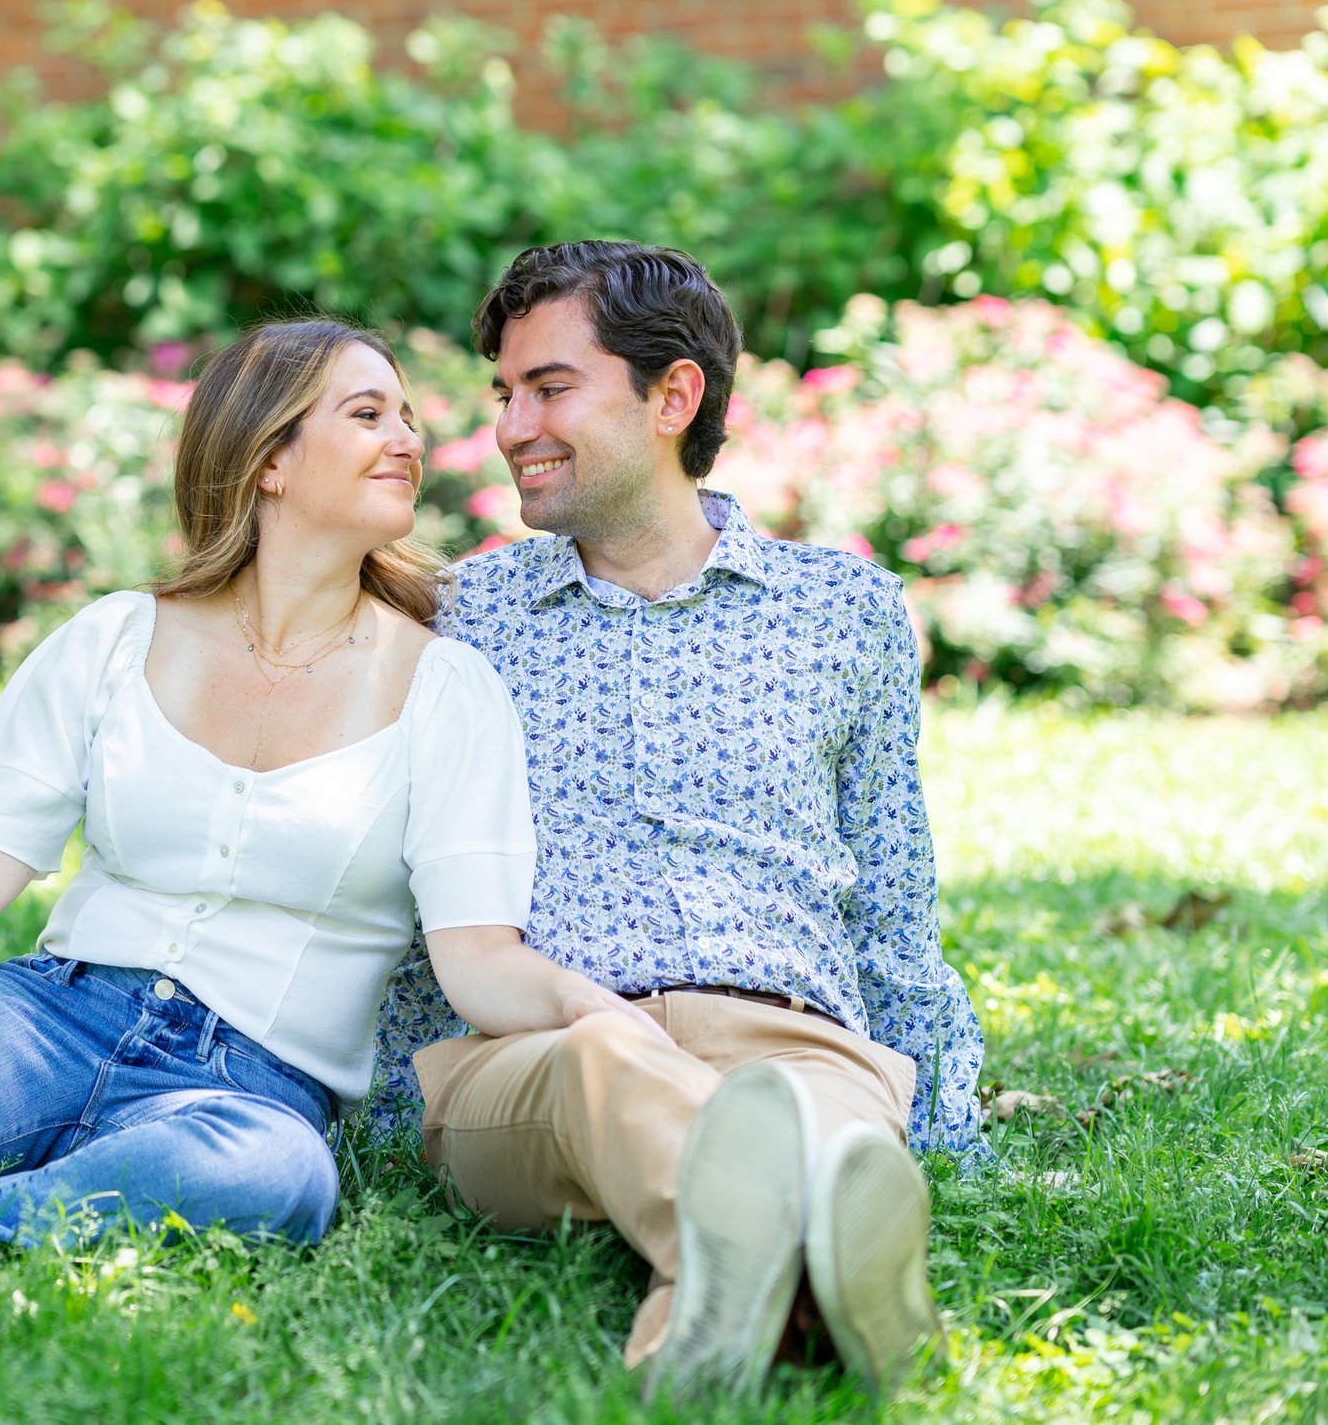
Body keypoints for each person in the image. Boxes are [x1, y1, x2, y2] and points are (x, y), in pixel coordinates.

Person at [0, 318, 676, 1249]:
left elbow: (480, 963)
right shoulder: (114, 640)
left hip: (249, 1089)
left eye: (406, 414)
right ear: (267, 460)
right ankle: (81, 1176)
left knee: (277, 1177)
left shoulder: (445, 688)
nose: (407, 436)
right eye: (367, 415)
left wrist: (603, 1020)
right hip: (52, 1019)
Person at [370, 241, 989, 1402]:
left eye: (549, 388)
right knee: (620, 1065)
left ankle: (706, 1325)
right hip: (539, 1059)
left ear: (673, 395)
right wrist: (392, 1100)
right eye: (504, 394)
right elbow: (408, 888)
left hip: (796, 1038)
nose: (510, 427)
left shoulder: (842, 608)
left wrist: (940, 1105)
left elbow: (894, 893)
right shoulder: (458, 617)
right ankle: (841, 1291)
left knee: (831, 1127)